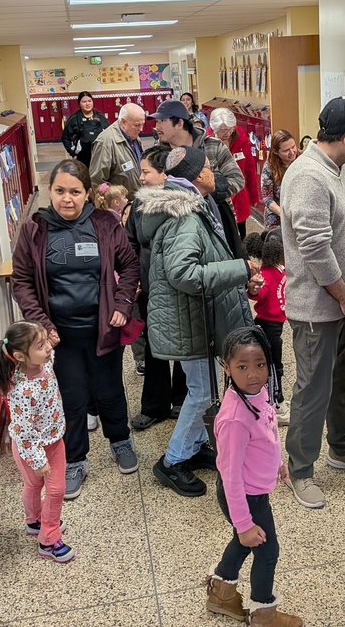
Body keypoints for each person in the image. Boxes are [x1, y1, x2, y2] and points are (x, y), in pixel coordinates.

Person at [11, 159, 142, 502]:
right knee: (70, 397)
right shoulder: (34, 229)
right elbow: (22, 281)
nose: (66, 199)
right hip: (59, 335)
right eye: (59, 191)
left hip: (103, 327)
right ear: (49, 191)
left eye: (74, 191)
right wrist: (43, 324)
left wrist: (122, 304)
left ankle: (120, 440)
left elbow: (130, 265)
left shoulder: (105, 223)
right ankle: (75, 460)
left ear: (87, 194)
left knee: (110, 389)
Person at [134, 145, 257, 497]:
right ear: (200, 175)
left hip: (192, 318)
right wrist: (238, 269)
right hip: (187, 321)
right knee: (202, 393)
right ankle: (172, 461)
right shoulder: (185, 216)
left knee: (202, 389)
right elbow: (184, 272)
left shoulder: (192, 205)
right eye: (209, 166)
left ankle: (193, 445)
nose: (213, 171)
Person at [280, 96, 345, 510]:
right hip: (319, 310)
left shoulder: (332, 169)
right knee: (313, 390)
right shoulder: (309, 176)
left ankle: (340, 448)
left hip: (343, 306)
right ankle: (301, 468)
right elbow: (316, 248)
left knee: (343, 381)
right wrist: (344, 297)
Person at [206, 327, 302, 627]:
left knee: (246, 541)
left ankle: (221, 595)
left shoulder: (259, 393)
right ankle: (263, 614)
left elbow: (270, 427)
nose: (253, 375)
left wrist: (278, 462)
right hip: (244, 495)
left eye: (260, 364)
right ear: (227, 367)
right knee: (267, 550)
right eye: (242, 367)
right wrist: (245, 522)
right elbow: (230, 476)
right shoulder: (235, 418)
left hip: (256, 487)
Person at [0, 320, 73, 563]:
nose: (47, 348)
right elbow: (22, 431)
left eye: (46, 341)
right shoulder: (21, 391)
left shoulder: (45, 363)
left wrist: (50, 343)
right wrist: (37, 460)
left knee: (54, 491)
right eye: (40, 345)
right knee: (40, 487)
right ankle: (48, 541)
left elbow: (50, 353)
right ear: (19, 356)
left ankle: (40, 527)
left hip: (54, 441)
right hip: (31, 450)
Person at [125, 145, 187, 428]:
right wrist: (134, 275)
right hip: (150, 288)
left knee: (186, 342)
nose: (141, 177)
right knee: (154, 346)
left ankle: (183, 399)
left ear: (165, 174)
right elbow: (130, 241)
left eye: (146, 171)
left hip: (180, 286)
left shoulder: (185, 203)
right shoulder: (138, 204)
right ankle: (155, 405)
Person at [151, 98, 245, 257]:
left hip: (218, 220)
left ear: (179, 124)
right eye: (157, 121)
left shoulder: (213, 145)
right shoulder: (158, 154)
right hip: (179, 226)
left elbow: (237, 179)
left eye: (162, 121)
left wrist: (209, 190)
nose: (157, 127)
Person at [244, 229, 289, 425]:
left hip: (266, 323)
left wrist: (251, 289)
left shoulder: (265, 274)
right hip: (278, 323)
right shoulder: (281, 270)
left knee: (271, 364)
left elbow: (258, 295)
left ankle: (279, 404)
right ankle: (275, 399)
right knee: (274, 362)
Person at [210, 107, 261, 239]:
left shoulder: (241, 139)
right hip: (218, 195)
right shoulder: (207, 142)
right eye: (223, 130)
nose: (227, 133)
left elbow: (249, 168)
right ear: (215, 129)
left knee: (241, 232)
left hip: (239, 193)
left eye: (230, 128)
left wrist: (254, 195)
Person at [89, 102, 146, 199]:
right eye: (137, 125)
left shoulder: (134, 137)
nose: (141, 129)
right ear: (123, 122)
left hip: (136, 201)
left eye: (142, 124)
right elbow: (97, 181)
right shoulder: (105, 142)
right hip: (119, 206)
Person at [260, 130, 301, 230]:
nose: (292, 152)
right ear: (275, 152)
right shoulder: (269, 167)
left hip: (299, 211)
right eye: (286, 150)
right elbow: (267, 198)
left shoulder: (302, 159)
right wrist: (282, 214)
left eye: (293, 147)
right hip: (277, 214)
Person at [61, 91, 107, 168]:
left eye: (89, 101)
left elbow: (109, 134)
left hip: (100, 156)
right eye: (84, 101)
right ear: (79, 103)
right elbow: (65, 137)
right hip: (82, 158)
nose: (87, 104)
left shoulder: (100, 117)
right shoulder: (74, 118)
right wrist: (72, 152)